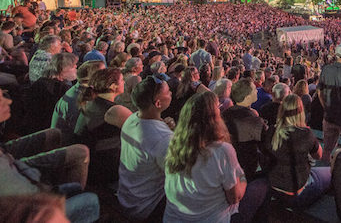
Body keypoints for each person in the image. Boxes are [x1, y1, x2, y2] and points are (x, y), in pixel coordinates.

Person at [0, 91, 100, 223]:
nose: (9, 101)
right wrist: (49, 200)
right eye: (1, 99)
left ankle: (61, 188)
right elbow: (20, 198)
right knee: (90, 201)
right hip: (26, 191)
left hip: (15, 164)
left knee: (56, 135)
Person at [164, 92, 255, 223]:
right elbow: (235, 197)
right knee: (260, 186)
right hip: (210, 218)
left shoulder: (173, 143)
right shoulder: (221, 151)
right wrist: (243, 178)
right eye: (218, 108)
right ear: (214, 118)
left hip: (173, 218)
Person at [118, 77, 174, 222]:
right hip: (145, 206)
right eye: (168, 92)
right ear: (158, 103)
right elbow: (176, 177)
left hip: (127, 197)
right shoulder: (163, 139)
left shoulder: (133, 119)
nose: (171, 93)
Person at [265, 94, 330, 208]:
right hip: (297, 193)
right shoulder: (305, 134)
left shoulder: (271, 131)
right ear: (301, 112)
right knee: (330, 171)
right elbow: (319, 155)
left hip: (274, 187)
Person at [74, 68, 132, 183]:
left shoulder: (92, 102)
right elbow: (142, 131)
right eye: (122, 80)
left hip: (91, 162)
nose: (124, 83)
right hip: (103, 167)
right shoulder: (113, 110)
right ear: (113, 86)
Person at [222, 78, 269, 181]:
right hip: (246, 168)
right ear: (247, 97)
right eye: (254, 89)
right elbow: (266, 147)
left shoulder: (224, 114)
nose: (257, 90)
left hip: (226, 165)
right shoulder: (254, 121)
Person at [51, 60, 105, 145]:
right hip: (67, 147)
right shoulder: (81, 99)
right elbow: (77, 134)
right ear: (95, 77)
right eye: (104, 72)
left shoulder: (76, 90)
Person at [27, 52, 78, 133]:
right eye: (73, 66)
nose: (76, 67)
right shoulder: (60, 89)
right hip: (47, 130)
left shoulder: (41, 81)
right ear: (62, 69)